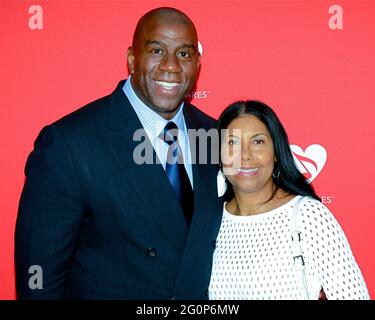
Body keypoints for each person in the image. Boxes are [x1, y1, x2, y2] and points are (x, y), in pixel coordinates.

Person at [15, 7, 222, 299]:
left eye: (184, 54)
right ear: (131, 59)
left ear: (198, 63)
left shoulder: (215, 136)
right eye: (156, 50)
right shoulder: (70, 144)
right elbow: (38, 278)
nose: (171, 66)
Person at [208, 100, 370, 300]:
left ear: (276, 152)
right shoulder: (208, 219)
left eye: (258, 142)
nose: (245, 155)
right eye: (232, 142)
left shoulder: (309, 216)